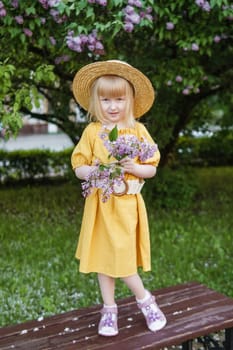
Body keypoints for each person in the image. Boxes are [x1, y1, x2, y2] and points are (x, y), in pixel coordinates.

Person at [71, 60, 166, 337]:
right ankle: (109, 309)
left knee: (122, 258)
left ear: (130, 101)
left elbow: (152, 166)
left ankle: (145, 300)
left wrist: (137, 168)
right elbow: (79, 166)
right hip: (101, 206)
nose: (113, 106)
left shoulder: (137, 132)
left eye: (119, 99)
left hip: (126, 206)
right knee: (104, 258)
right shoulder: (92, 132)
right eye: (106, 99)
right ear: (96, 102)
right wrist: (93, 171)